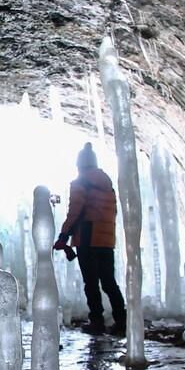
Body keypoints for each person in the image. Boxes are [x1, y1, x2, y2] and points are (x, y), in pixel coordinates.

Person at [53, 142, 127, 336]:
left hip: (88, 237)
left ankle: (97, 321)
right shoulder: (107, 185)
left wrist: (63, 235)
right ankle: (122, 320)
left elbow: (75, 212)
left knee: (91, 282)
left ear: (80, 165)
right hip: (106, 241)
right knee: (109, 281)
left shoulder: (81, 183)